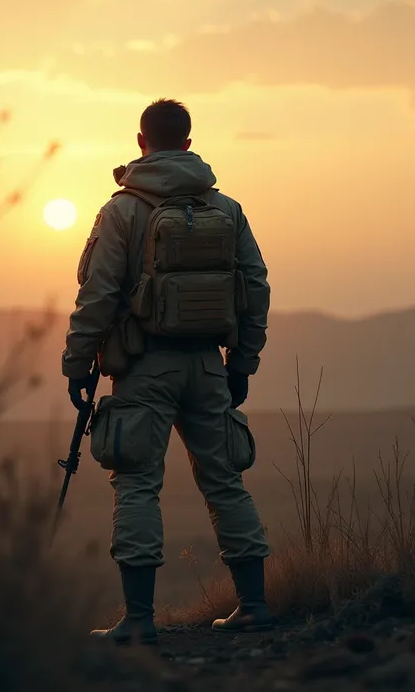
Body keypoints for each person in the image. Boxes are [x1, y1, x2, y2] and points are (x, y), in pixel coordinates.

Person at [62, 99, 275, 645]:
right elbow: (255, 287)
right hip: (207, 365)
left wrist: (77, 363)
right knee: (225, 480)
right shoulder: (225, 208)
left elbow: (99, 293)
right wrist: (242, 363)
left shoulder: (122, 210)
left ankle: (138, 619)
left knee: (136, 484)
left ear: (140, 142)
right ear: (187, 142)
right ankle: (254, 605)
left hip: (141, 368)